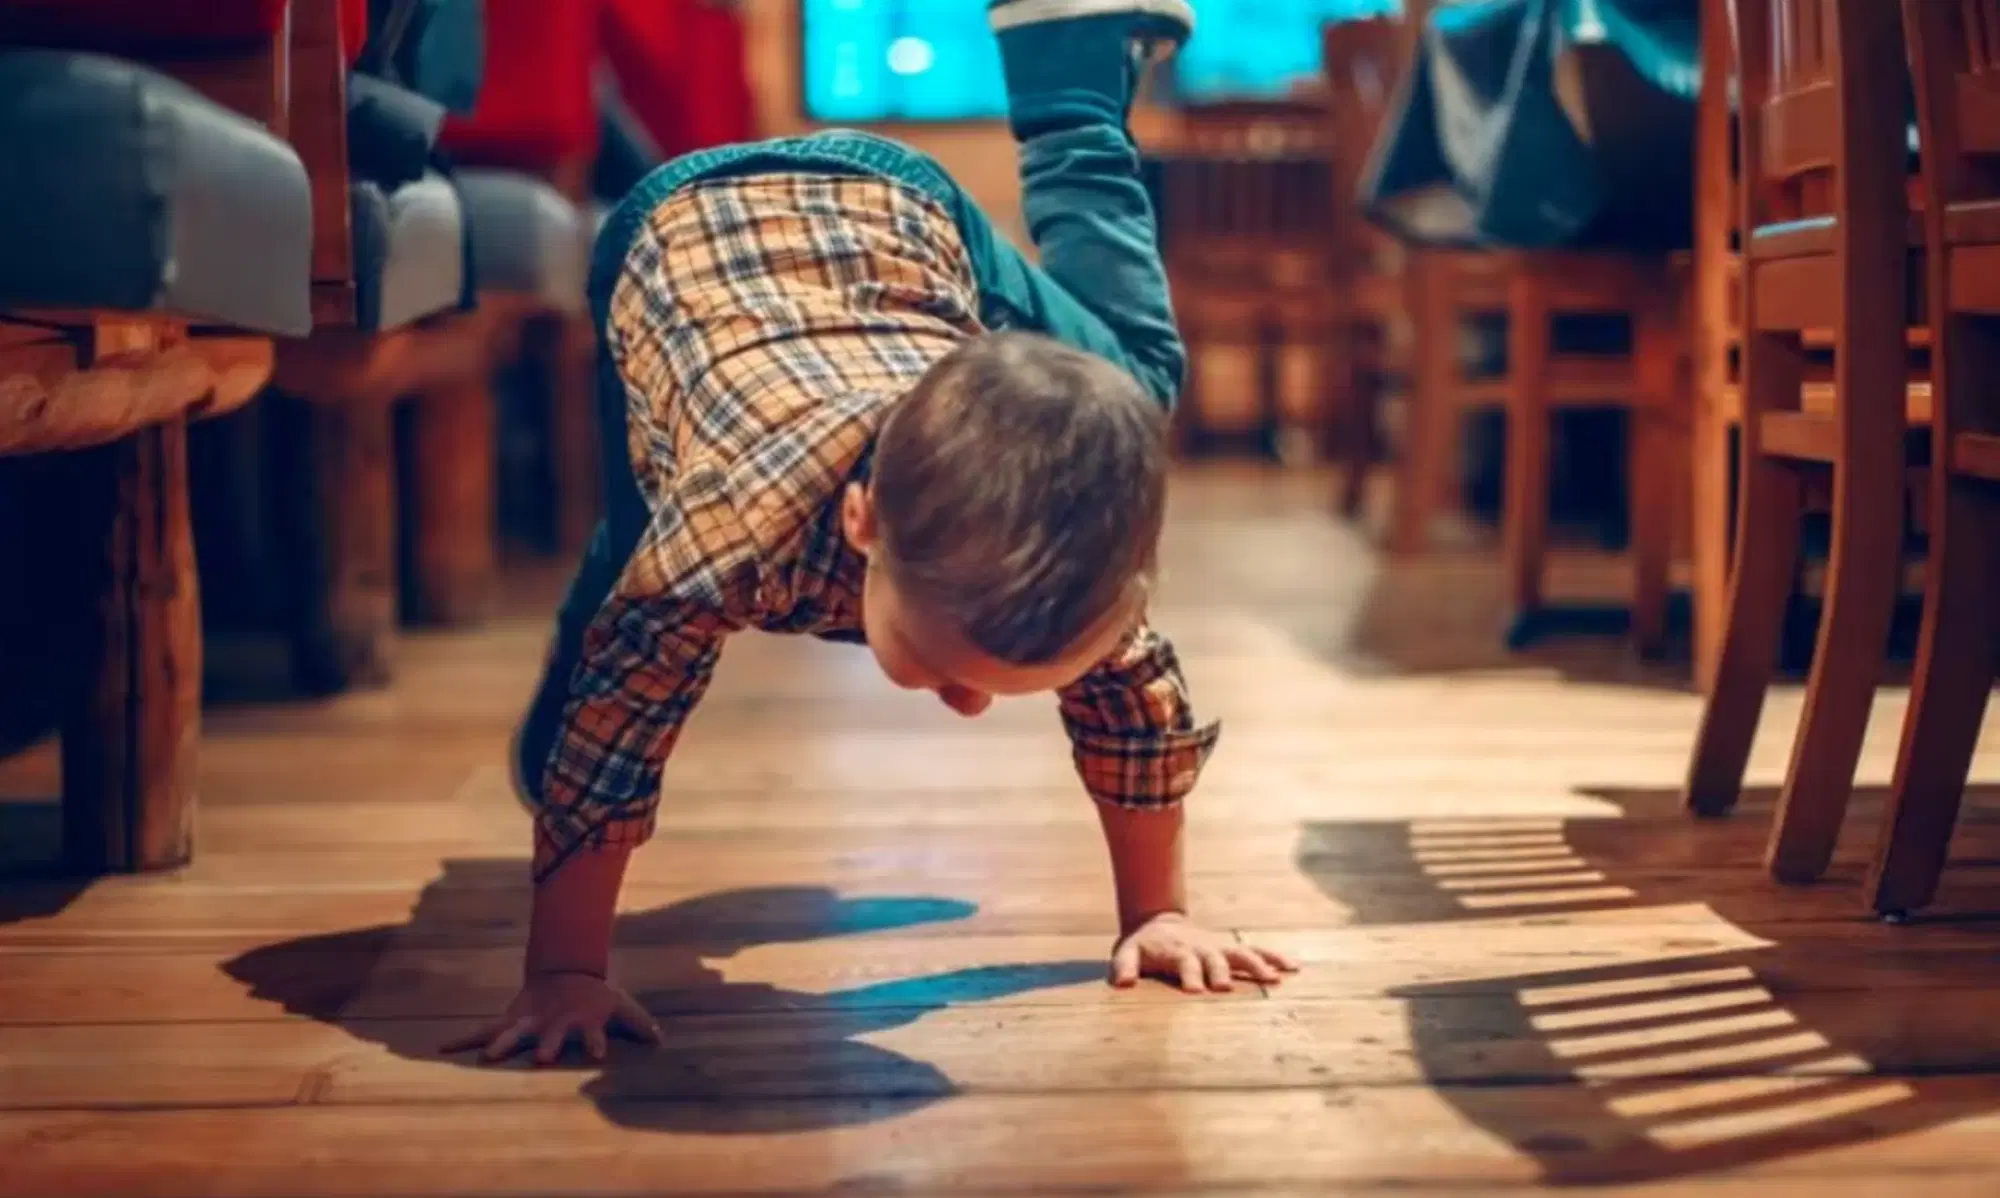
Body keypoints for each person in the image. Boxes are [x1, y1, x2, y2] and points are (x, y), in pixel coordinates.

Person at [450, 0, 1299, 1066]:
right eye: (945, 667)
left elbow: (1134, 717)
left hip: (895, 214)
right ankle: (1071, 92)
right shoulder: (723, 543)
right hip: (669, 234)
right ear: (860, 523)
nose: (970, 704)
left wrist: (1155, 913)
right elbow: (622, 737)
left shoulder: (1078, 575)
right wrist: (565, 971)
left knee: (1122, 407)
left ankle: (1062, 50)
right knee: (635, 561)